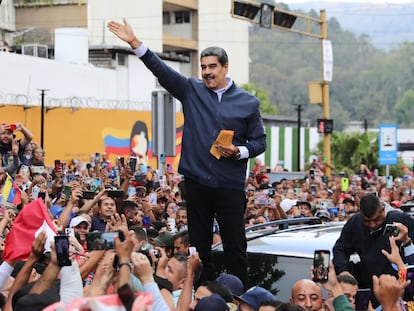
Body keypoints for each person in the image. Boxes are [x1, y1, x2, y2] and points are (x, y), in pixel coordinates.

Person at [107, 18, 267, 287]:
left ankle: (239, 297)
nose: (206, 72)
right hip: (196, 183)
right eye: (203, 67)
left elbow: (259, 142)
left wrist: (238, 151)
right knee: (200, 247)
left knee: (235, 247)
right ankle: (200, 292)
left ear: (226, 68)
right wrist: (135, 42)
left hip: (229, 185)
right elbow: (162, 70)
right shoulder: (191, 90)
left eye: (212, 67)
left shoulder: (248, 102)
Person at [333, 193, 414, 307]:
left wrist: (406, 241)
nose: (372, 224)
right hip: (369, 296)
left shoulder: (399, 220)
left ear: (382, 210)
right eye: (367, 221)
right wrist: (343, 270)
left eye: (376, 220)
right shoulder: (355, 223)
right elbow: (340, 248)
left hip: (399, 295)